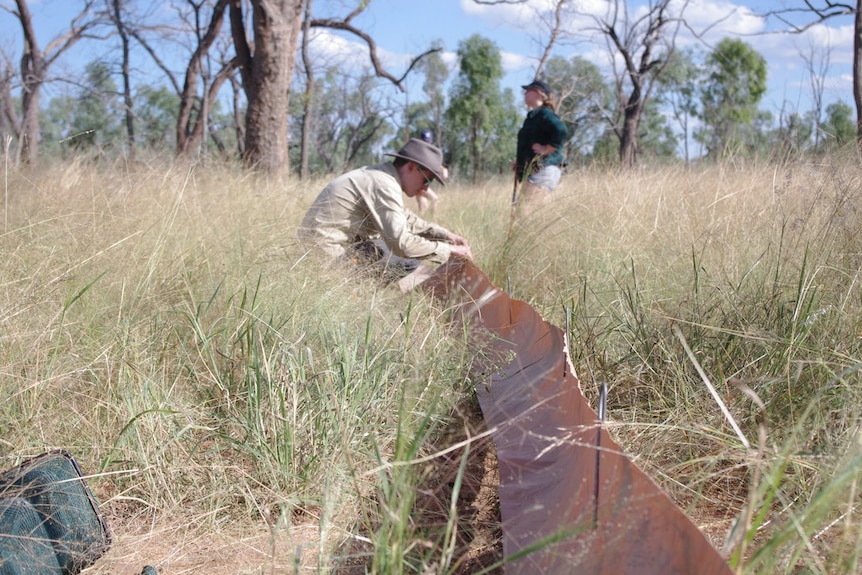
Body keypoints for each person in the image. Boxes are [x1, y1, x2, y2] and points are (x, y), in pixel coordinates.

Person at [298, 138, 472, 284]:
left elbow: (404, 218)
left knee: (385, 249)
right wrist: (449, 250)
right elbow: (403, 244)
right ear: (411, 167)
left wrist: (446, 235)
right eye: (427, 180)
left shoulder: (381, 176)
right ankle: (357, 299)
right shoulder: (384, 184)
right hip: (325, 258)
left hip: (321, 251)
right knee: (407, 259)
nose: (426, 189)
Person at [514, 79, 568, 204]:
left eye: (527, 91)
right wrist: (521, 161)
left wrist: (547, 149)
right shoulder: (535, 116)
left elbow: (561, 130)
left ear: (537, 93)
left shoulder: (545, 114)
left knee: (525, 213)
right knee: (529, 214)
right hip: (540, 170)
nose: (524, 94)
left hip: (544, 169)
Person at [416, 129, 442, 213]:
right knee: (435, 199)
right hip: (419, 183)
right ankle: (433, 222)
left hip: (421, 184)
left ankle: (425, 224)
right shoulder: (417, 151)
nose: (426, 144)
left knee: (423, 207)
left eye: (427, 142)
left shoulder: (424, 151)